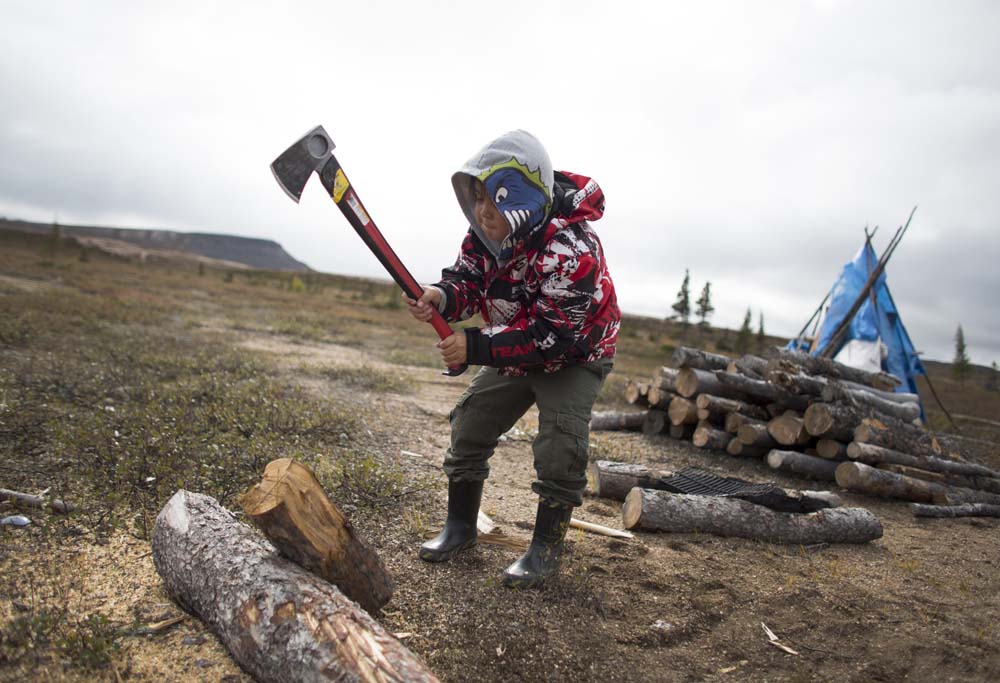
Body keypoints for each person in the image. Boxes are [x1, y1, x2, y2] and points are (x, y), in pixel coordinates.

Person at [404, 130, 620, 588]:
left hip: (575, 354)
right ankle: (460, 528)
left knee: (560, 446)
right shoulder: (485, 235)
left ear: (524, 196)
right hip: (515, 344)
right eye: (477, 197)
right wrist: (442, 296)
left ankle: (545, 548)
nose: (483, 210)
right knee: (471, 421)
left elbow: (552, 337)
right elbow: (468, 281)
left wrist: (474, 346)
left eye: (494, 199)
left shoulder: (572, 250)